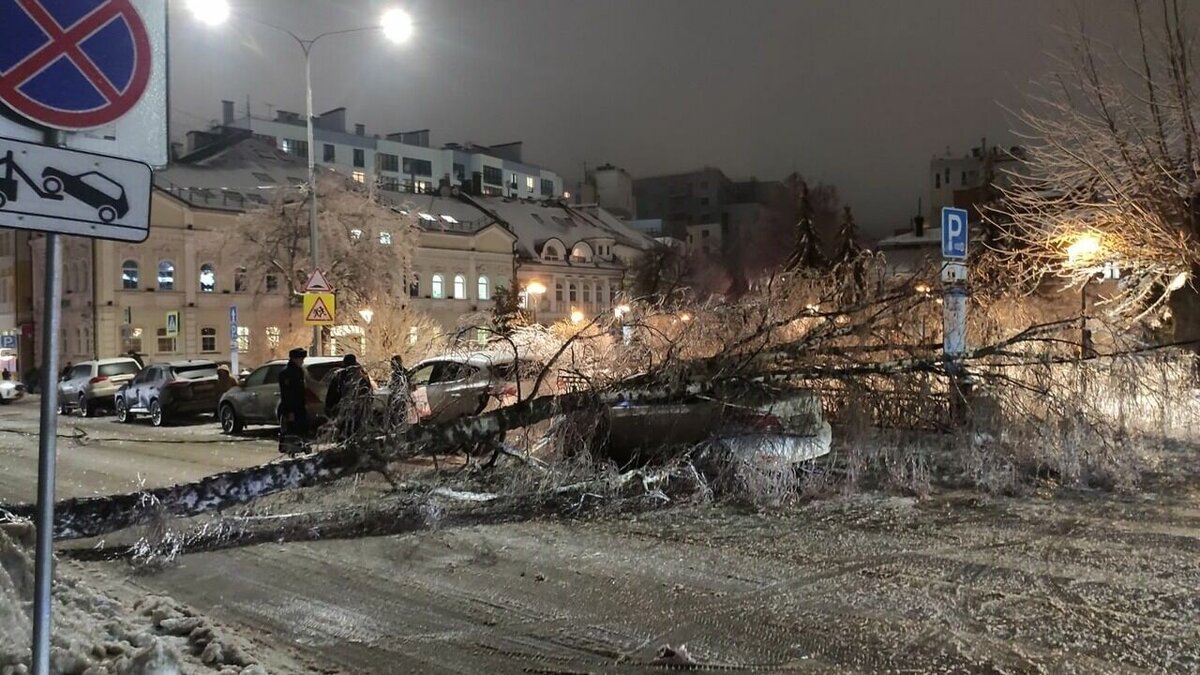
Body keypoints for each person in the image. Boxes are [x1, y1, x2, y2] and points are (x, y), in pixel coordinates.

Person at [325, 354, 371, 440]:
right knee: (355, 429)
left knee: (344, 429)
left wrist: (329, 407)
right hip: (358, 408)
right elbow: (368, 391)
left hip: (344, 408)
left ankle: (345, 444)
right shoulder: (361, 374)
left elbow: (332, 393)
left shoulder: (340, 375)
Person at [278, 348, 309, 453]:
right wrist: (289, 411)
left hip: (299, 406)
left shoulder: (299, 371)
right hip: (291, 407)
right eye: (301, 359)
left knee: (299, 431)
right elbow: (287, 394)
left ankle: (298, 449)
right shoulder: (287, 373)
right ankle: (291, 451)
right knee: (291, 431)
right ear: (295, 359)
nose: (302, 361)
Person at [386, 354, 412, 431]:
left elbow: (391, 386)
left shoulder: (395, 374)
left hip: (397, 397)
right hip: (403, 397)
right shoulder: (406, 372)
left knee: (396, 415)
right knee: (402, 415)